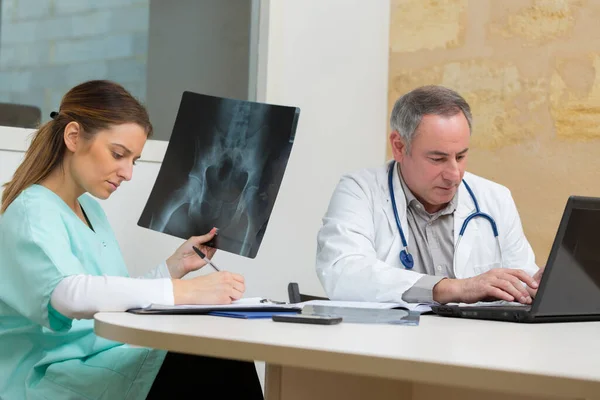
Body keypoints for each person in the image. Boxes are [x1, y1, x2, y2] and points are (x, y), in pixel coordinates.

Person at [0, 80, 263, 399]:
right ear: (73, 136)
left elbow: (112, 295)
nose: (128, 173)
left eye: (134, 160)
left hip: (100, 359)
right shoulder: (32, 210)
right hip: (50, 376)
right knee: (211, 363)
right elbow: (68, 294)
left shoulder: (90, 210)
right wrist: (186, 292)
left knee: (224, 353)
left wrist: (173, 268)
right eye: (118, 154)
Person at [316, 85, 544, 305]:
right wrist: (457, 288)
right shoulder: (360, 192)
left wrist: (537, 287)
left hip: (475, 342)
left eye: (461, 156)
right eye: (438, 159)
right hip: (391, 342)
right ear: (399, 146)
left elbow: (521, 280)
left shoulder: (495, 199)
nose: (454, 174)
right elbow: (343, 272)